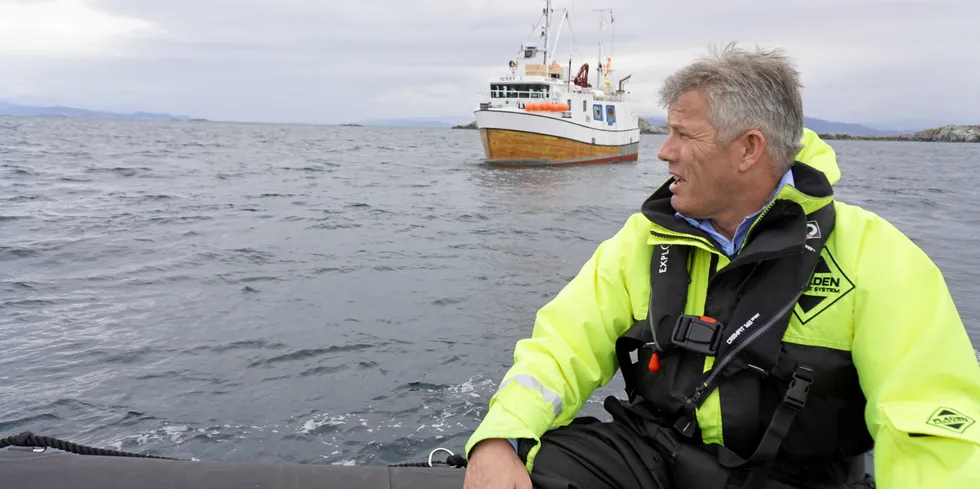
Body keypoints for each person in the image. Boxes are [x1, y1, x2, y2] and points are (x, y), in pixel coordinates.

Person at [461, 43, 980, 489]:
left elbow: (929, 426)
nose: (664, 152)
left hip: (797, 476)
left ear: (749, 149)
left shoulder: (875, 256)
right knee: (543, 467)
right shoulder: (645, 239)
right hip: (654, 452)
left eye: (684, 135)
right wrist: (502, 435)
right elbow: (562, 345)